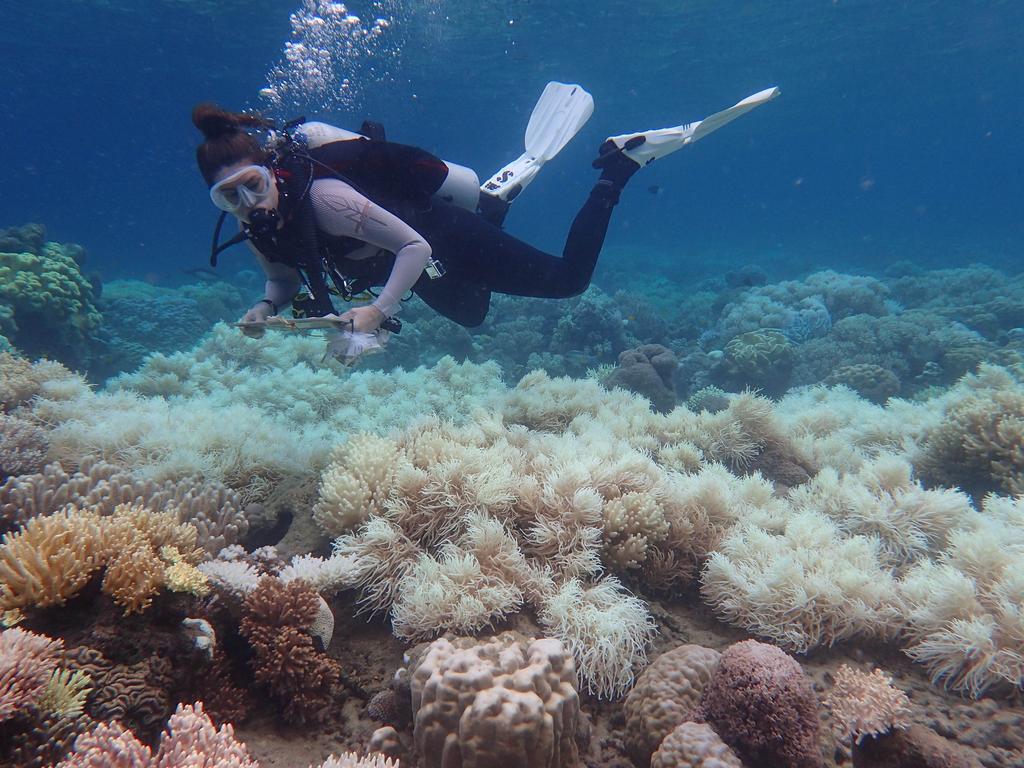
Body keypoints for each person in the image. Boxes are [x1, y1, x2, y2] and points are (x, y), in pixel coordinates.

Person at [192, 86, 779, 345]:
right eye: (228, 198)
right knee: (472, 315)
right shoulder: (254, 225)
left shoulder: (327, 200)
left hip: (432, 237)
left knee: (567, 282)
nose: (248, 204)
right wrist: (265, 306)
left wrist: (376, 309)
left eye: (251, 185)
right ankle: (494, 204)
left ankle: (618, 168)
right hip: (404, 261)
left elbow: (414, 250)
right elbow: (281, 277)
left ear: (271, 170)